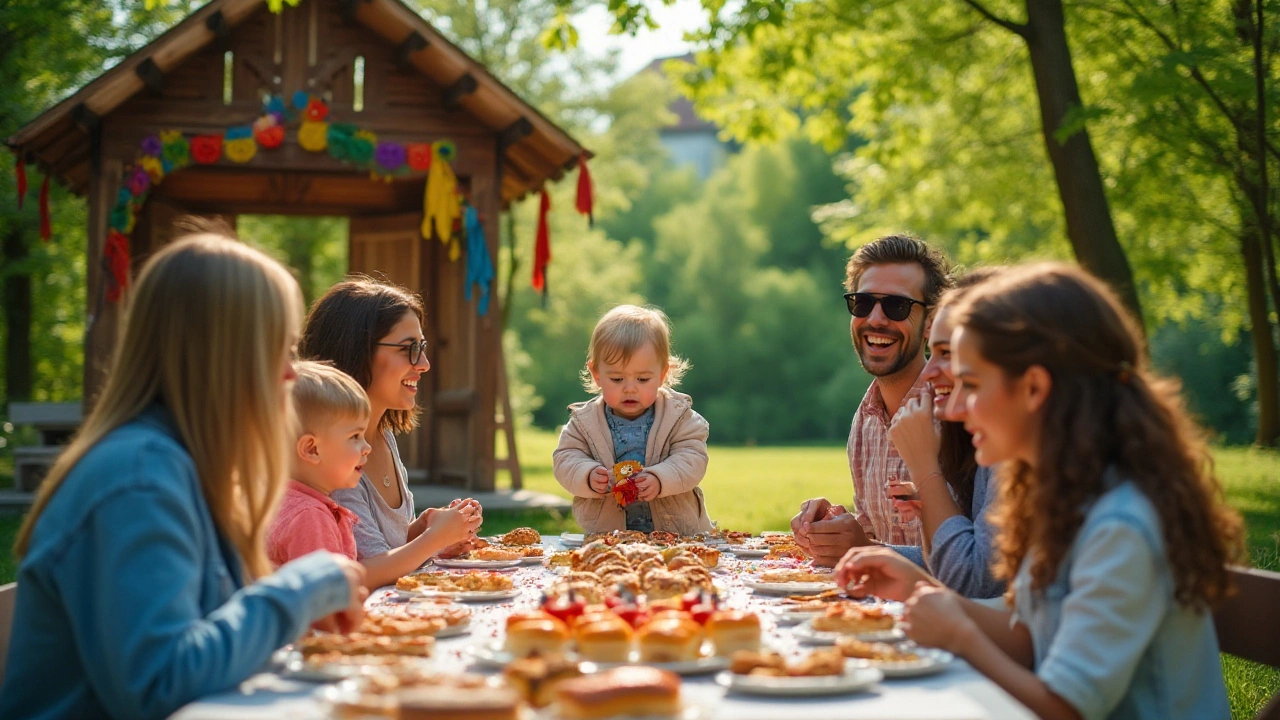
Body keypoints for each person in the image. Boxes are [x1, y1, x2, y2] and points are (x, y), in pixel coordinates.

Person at [835, 263, 1242, 720]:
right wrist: (921, 588)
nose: (959, 404)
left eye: (972, 383)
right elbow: (1032, 635)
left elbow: (1067, 708)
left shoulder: (1119, 524)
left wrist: (961, 636)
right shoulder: (1065, 496)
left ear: (1033, 388)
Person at [0, 232, 367, 720]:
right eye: (277, 349)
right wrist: (297, 590)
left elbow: (207, 635)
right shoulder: (139, 479)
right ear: (220, 355)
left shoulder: (181, 466)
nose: (289, 375)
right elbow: (158, 684)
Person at [300, 277, 482, 588]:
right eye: (408, 349)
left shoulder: (383, 438)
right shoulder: (331, 454)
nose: (423, 364)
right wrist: (432, 538)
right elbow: (361, 571)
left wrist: (426, 531)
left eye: (422, 348)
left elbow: (380, 545)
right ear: (356, 350)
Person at [792, 234, 953, 566]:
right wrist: (835, 525)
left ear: (930, 324)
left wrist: (865, 549)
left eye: (897, 306)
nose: (876, 319)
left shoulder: (959, 414)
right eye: (863, 303)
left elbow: (975, 567)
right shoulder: (864, 421)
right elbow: (877, 537)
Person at [881, 267, 1005, 598]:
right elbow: (952, 563)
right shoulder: (985, 445)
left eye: (947, 354)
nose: (929, 373)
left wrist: (925, 470)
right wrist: (860, 548)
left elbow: (972, 581)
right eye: (930, 352)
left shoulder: (1016, 454)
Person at [553, 304, 713, 535]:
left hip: (675, 533)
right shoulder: (584, 423)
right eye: (617, 379)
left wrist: (661, 478)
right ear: (596, 374)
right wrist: (587, 475)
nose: (630, 389)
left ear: (662, 374)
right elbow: (565, 459)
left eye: (642, 379)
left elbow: (692, 459)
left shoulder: (678, 417)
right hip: (608, 535)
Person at [267, 361, 372, 566]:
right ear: (311, 449)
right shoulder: (311, 518)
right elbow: (327, 596)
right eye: (355, 436)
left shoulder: (278, 502)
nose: (367, 447)